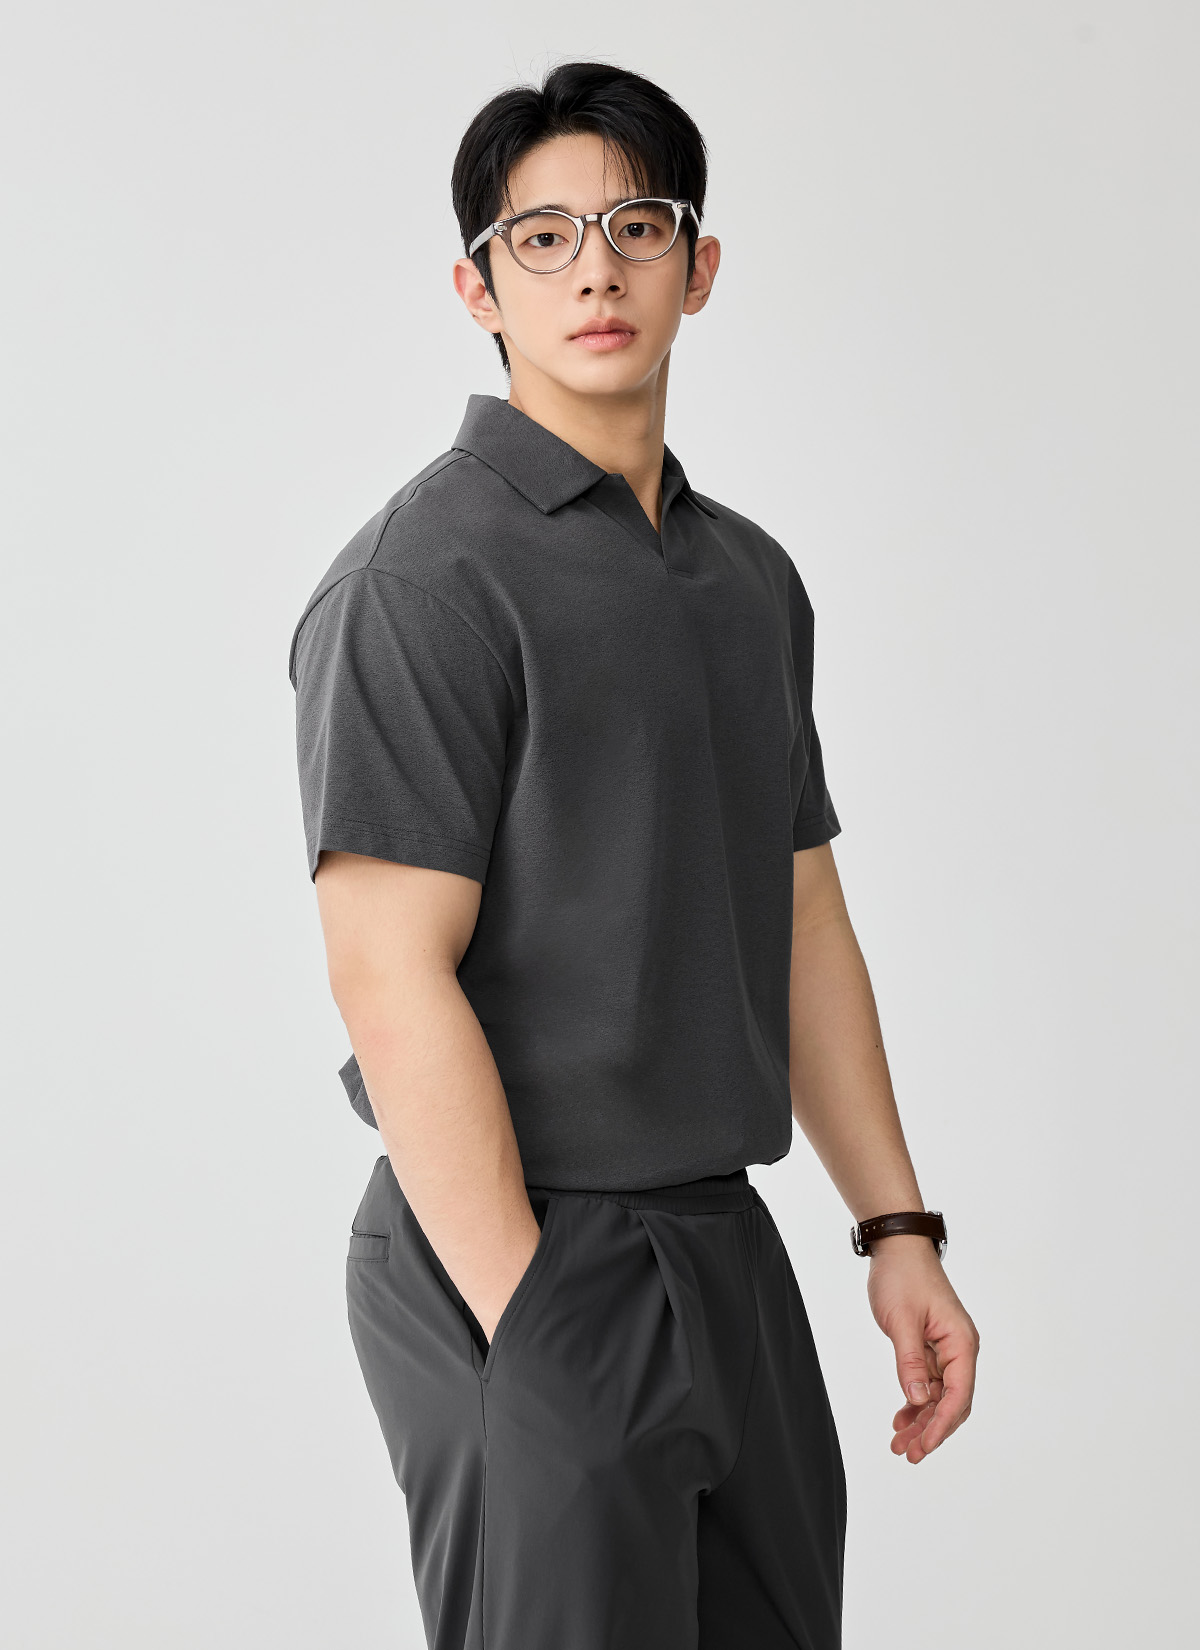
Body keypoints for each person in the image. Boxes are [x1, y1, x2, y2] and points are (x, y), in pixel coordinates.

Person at [288, 59, 978, 1650]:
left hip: (724, 1240)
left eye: (637, 226)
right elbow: (387, 974)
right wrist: (533, 1310)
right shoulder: (421, 580)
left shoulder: (751, 580)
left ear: (698, 265)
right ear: (478, 288)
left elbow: (799, 910)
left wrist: (897, 1229)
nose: (595, 271)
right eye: (542, 238)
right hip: (521, 1238)